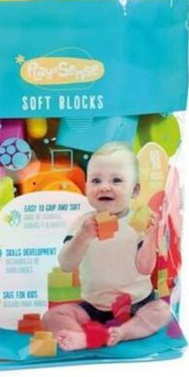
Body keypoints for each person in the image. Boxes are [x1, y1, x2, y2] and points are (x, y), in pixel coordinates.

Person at [42, 142, 171, 351]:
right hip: (95, 307)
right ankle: (83, 337)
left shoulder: (139, 221)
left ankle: (123, 332)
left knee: (162, 310)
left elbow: (145, 268)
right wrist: (83, 236)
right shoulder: (83, 224)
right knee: (51, 316)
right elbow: (66, 264)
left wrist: (150, 238)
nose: (104, 187)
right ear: (86, 187)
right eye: (96, 180)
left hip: (138, 304)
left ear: (135, 190)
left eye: (116, 180)